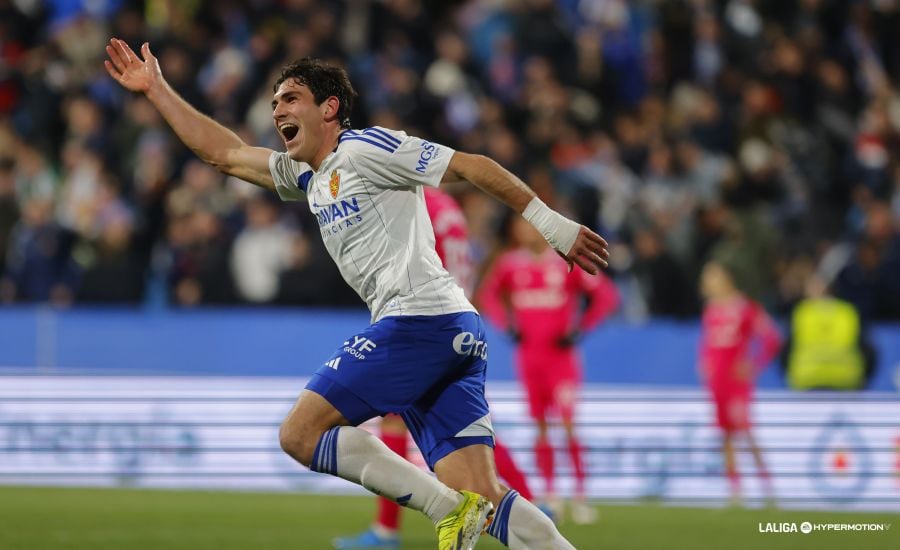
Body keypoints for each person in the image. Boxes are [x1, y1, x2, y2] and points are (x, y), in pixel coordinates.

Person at [105, 38, 608, 549]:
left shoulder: (364, 149)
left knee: (299, 434)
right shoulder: (308, 174)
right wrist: (157, 88)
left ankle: (448, 509)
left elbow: (469, 165)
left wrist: (552, 225)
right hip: (451, 332)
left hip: (420, 321)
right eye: (275, 100)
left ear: (330, 108)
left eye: (291, 97)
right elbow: (226, 154)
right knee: (488, 492)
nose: (277, 108)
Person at [334, 186, 535, 549]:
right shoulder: (447, 208)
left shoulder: (413, 203)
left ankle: (386, 531)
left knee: (395, 418)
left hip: (425, 321)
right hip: (456, 318)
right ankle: (528, 502)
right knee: (468, 427)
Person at [478, 215, 619, 523]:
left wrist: (580, 329)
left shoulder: (566, 261)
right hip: (530, 359)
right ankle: (550, 493)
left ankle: (581, 496)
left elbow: (606, 296)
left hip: (561, 361)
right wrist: (508, 325)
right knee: (541, 428)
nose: (524, 229)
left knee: (568, 425)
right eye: (520, 225)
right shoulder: (510, 264)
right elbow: (488, 296)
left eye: (530, 224)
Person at [698, 261, 782, 506]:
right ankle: (735, 490)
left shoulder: (745, 308)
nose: (706, 282)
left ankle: (767, 486)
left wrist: (753, 365)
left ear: (725, 278)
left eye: (711, 276)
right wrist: (705, 363)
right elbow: (708, 343)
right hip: (717, 382)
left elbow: (772, 339)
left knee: (744, 432)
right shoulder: (711, 309)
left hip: (737, 382)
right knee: (725, 435)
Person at [781, 274, 876, 390]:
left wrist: (790, 376)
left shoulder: (801, 313)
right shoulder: (848, 312)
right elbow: (867, 350)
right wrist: (863, 378)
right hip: (846, 380)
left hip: (807, 380)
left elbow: (785, 351)